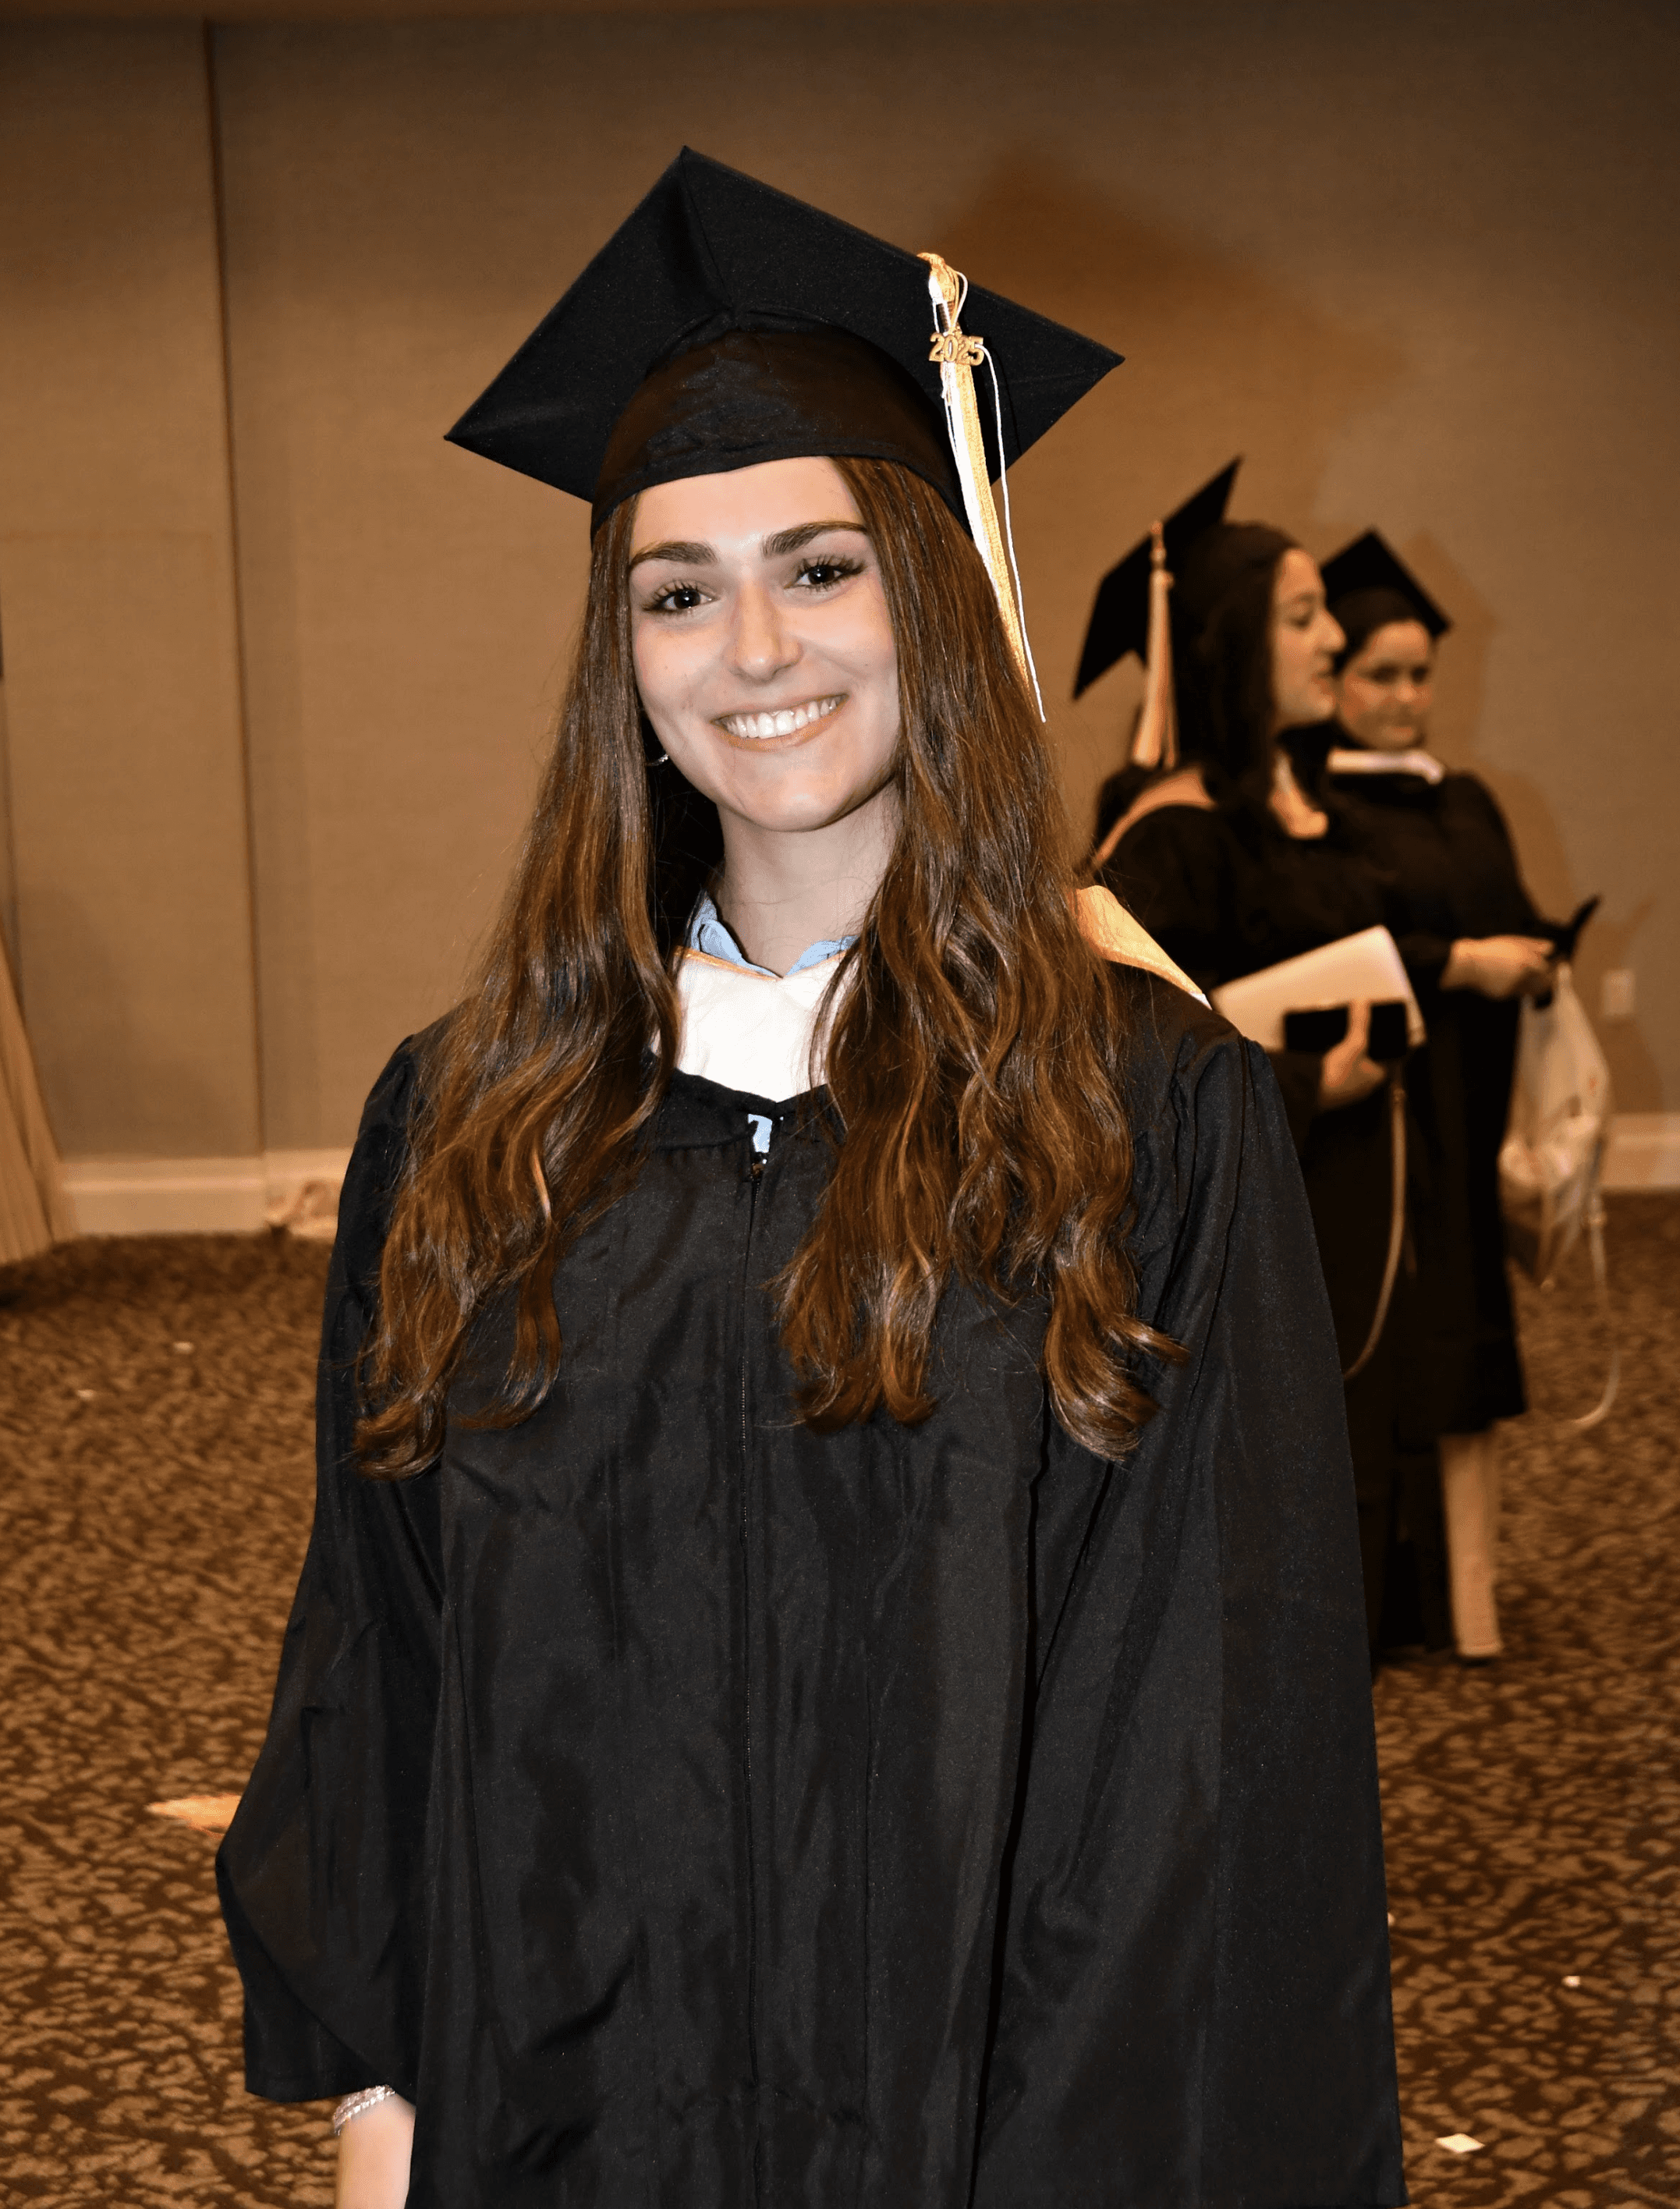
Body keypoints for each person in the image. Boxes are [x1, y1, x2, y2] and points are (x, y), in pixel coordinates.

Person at [218, 156, 1404, 2209]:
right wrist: (384, 2100)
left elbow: (1206, 1747)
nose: (750, 644)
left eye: (823, 566)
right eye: (676, 589)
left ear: (933, 602)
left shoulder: (1143, 1114)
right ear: (625, 658)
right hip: (568, 2111)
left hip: (996, 2126)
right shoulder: (478, 1113)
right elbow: (382, 1647)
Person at [1082, 469, 1444, 1662]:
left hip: (1354, 1197)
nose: (1334, 634)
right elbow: (1116, 1047)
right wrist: (1303, 1086)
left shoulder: (1305, 806)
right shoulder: (1169, 838)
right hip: (1257, 1212)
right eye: (1300, 617)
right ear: (1231, 645)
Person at [1317, 530, 1559, 1660]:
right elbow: (1344, 947)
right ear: (1336, 682)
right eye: (1380, 675)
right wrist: (1456, 962)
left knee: (1465, 1339)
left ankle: (1464, 1610)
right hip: (1382, 1113)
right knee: (1386, 1342)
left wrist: (1534, 955)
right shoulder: (1316, 809)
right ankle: (1380, 1596)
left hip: (1471, 1098)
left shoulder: (1463, 800)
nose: (1405, 699)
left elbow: (1505, 904)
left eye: (1419, 676)